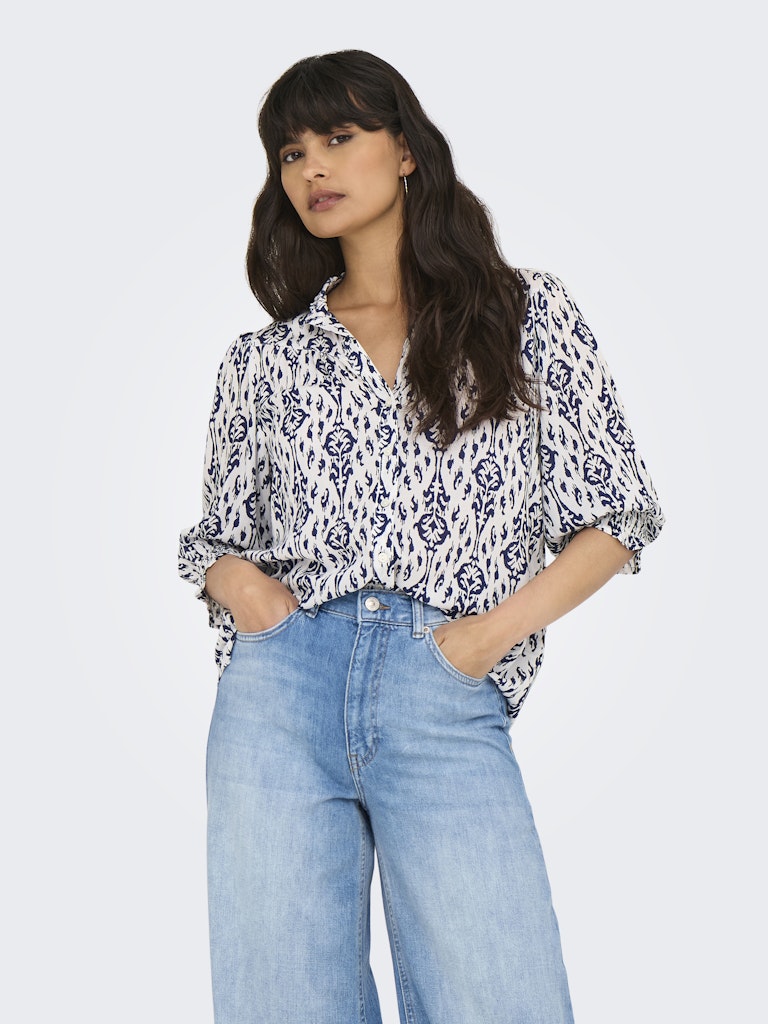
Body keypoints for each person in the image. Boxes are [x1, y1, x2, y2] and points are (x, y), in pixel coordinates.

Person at [178, 49, 664, 1024]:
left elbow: (618, 514)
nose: (312, 167)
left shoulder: (524, 313)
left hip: (443, 677)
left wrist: (480, 643)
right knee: (283, 1005)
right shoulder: (264, 359)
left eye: (338, 137)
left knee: (500, 996)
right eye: (291, 152)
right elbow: (218, 537)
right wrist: (256, 601)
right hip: (281, 691)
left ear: (405, 150)